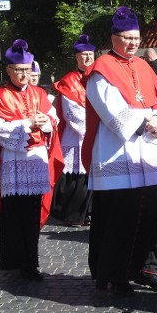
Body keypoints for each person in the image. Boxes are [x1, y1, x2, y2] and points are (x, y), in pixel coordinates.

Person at [84, 6, 157, 296]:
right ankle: (115, 275)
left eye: (136, 38)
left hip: (146, 152)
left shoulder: (144, 66)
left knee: (155, 212)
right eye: (127, 38)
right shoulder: (102, 69)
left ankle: (148, 269)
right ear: (114, 38)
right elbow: (110, 109)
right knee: (119, 218)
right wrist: (143, 121)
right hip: (117, 153)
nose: (133, 43)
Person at [0, 39, 63, 280]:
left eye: (27, 71)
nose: (23, 75)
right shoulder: (0, 96)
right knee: (13, 212)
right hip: (14, 160)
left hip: (36, 157)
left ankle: (31, 262)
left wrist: (46, 122)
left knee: (31, 212)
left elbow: (54, 120)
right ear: (8, 70)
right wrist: (27, 124)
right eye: (18, 70)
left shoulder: (40, 93)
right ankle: (13, 259)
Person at [50, 34, 95, 226]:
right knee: (75, 176)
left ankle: (87, 212)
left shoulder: (98, 77)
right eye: (83, 55)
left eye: (90, 55)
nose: (88, 58)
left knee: (89, 176)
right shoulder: (69, 80)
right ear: (77, 57)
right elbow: (72, 114)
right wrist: (94, 127)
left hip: (94, 135)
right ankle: (70, 213)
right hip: (74, 136)